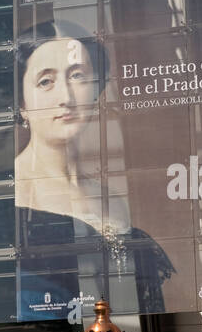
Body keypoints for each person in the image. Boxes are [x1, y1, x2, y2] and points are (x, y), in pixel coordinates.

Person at [15, 21, 175, 315]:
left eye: (77, 76)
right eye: (45, 81)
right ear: (21, 103)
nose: (66, 97)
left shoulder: (111, 199)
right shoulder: (12, 193)